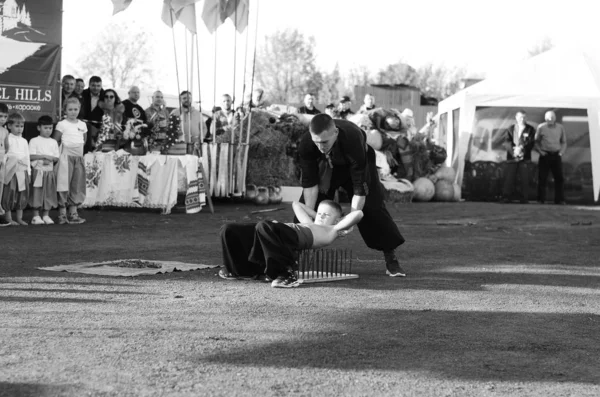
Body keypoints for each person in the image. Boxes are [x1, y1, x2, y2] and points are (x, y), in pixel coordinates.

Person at [297, 113, 406, 277]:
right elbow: (310, 187)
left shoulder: (353, 142)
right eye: (316, 142)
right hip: (328, 166)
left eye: (324, 142)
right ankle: (291, 257)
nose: (320, 147)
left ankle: (391, 258)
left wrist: (349, 222)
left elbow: (359, 191)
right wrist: (309, 224)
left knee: (372, 208)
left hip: (358, 165)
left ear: (336, 133)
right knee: (303, 212)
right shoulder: (306, 144)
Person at [219, 200, 364, 288]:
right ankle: (241, 270)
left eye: (326, 215)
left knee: (264, 226)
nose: (320, 216)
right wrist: (316, 215)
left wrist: (345, 225)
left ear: (338, 220)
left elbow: (358, 214)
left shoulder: (332, 230)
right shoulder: (308, 223)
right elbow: (297, 205)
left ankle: (285, 274)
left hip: (289, 237)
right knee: (229, 229)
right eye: (319, 213)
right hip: (272, 231)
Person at [53, 97, 87, 224]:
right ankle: (62, 214)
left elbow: (84, 140)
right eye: (70, 109)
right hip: (65, 159)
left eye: (76, 109)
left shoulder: (82, 125)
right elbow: (55, 140)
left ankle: (73, 213)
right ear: (65, 110)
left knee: (76, 184)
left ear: (79, 109)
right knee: (63, 184)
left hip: (78, 159)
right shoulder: (62, 124)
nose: (73, 112)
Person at [29, 116, 60, 225]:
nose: (48, 130)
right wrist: (44, 157)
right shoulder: (34, 140)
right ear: (39, 127)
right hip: (38, 171)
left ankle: (46, 215)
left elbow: (56, 157)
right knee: (37, 193)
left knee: (49, 193)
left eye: (50, 128)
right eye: (45, 128)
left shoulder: (53, 142)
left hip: (49, 171)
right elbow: (31, 156)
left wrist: (48, 158)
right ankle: (36, 216)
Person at [1, 113, 30, 226]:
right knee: (9, 193)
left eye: (22, 126)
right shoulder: (7, 138)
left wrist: (29, 172)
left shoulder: (24, 141)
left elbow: (27, 157)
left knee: (21, 194)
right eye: (17, 126)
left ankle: (19, 218)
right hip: (10, 171)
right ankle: (8, 218)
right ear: (9, 126)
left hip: (22, 171)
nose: (20, 129)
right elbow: (5, 154)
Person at [502, 110, 536, 203]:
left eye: (524, 117)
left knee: (525, 179)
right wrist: (514, 151)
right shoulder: (511, 128)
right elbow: (507, 141)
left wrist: (521, 149)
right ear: (516, 117)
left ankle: (524, 198)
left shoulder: (530, 129)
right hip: (512, 158)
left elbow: (531, 142)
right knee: (509, 178)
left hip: (524, 158)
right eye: (520, 117)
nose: (522, 119)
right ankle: (506, 197)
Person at [535, 110, 567, 204]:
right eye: (548, 117)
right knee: (542, 178)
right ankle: (540, 200)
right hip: (545, 155)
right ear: (545, 118)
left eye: (552, 117)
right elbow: (536, 142)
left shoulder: (560, 128)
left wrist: (561, 152)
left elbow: (564, 142)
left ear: (555, 118)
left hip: (556, 155)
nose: (550, 119)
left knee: (559, 178)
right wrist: (540, 152)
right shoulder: (541, 127)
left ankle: (559, 200)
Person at [0, 103, 9, 224]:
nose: (2, 119)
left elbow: (7, 147)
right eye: (0, 116)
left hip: (1, 162)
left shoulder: (5, 131)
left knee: (0, 186)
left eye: (5, 116)